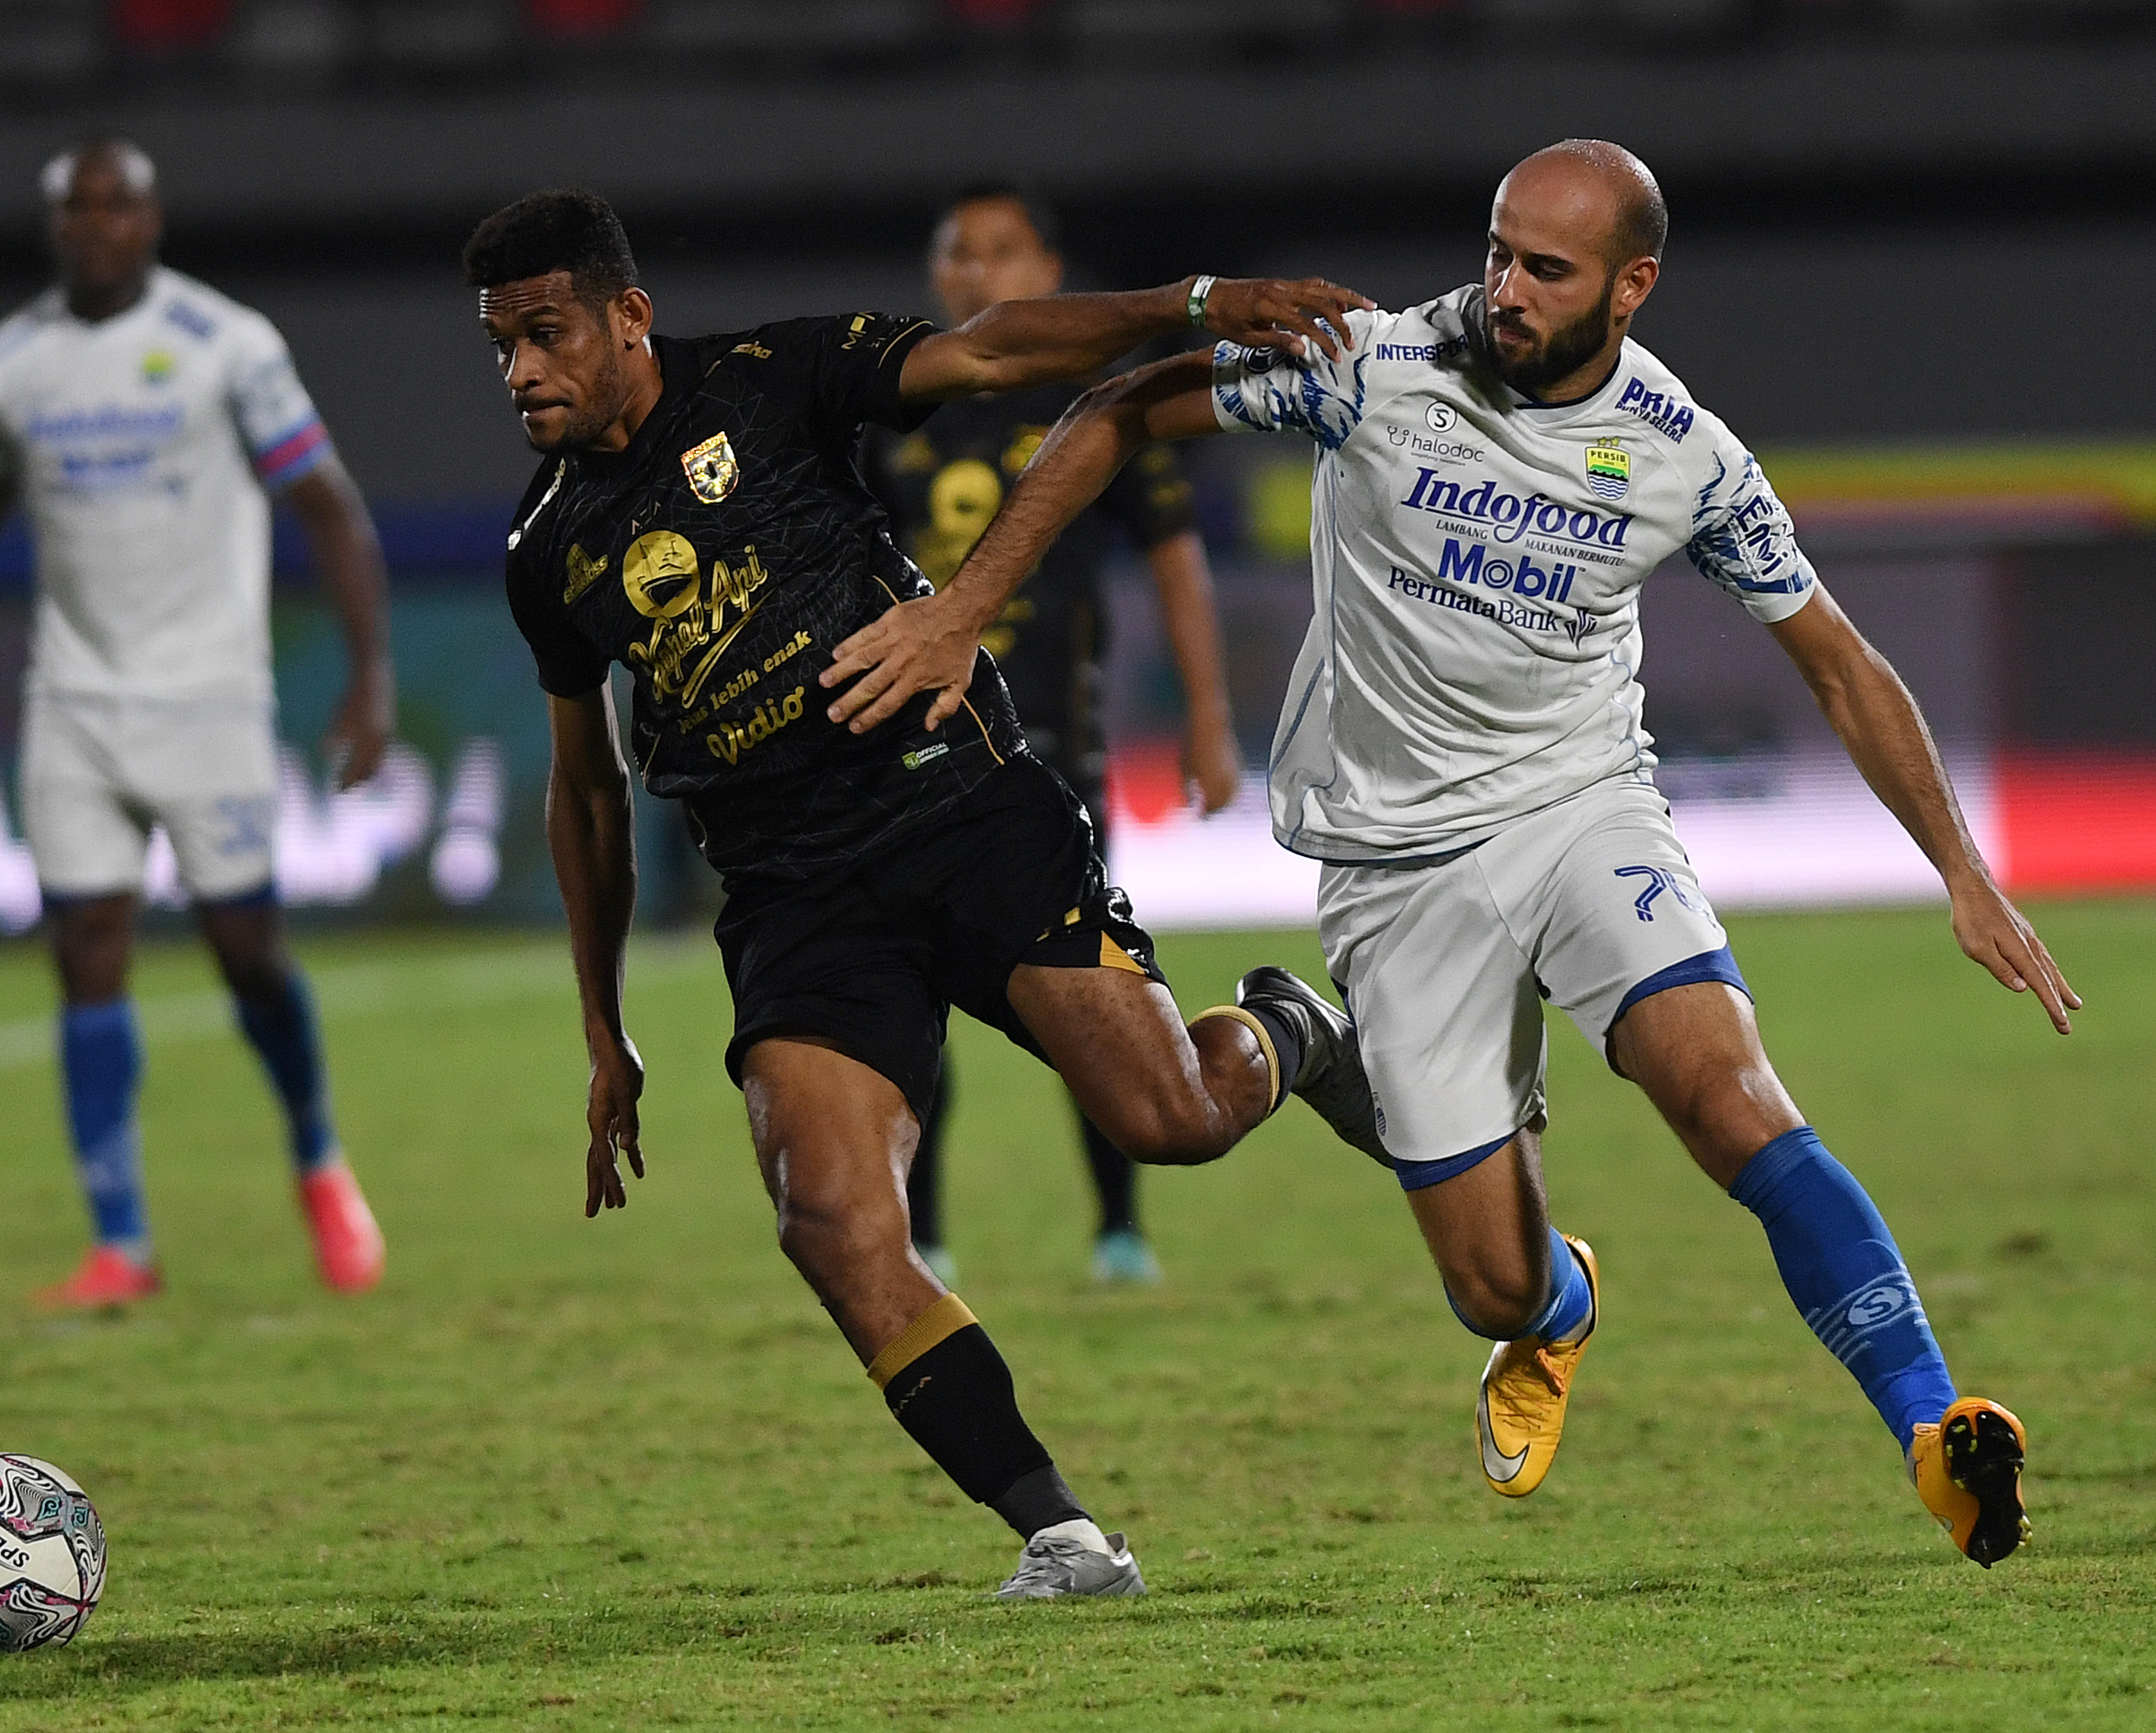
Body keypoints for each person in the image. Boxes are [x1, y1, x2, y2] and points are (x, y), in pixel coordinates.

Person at [830, 140, 2075, 1569]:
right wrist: (965, 601)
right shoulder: (1369, 365)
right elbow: (1118, 407)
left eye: (1543, 270)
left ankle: (1928, 1429)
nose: (1501, 289)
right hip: (1392, 858)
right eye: (1496, 251)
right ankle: (1546, 1299)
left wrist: (1961, 872)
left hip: (1579, 810)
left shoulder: (1683, 456)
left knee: (1725, 1091)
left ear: (1630, 287)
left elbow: (1840, 663)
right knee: (1488, 1282)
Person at [470, 187, 1377, 1597]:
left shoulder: (769, 381)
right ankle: (1062, 1534)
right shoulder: (546, 550)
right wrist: (603, 1027)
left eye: (543, 333)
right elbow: (583, 792)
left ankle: (1288, 1032)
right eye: (499, 345)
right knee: (829, 1219)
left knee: (1170, 1121)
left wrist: (1190, 303)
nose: (520, 370)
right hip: (790, 895)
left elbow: (996, 355)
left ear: (625, 317)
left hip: (957, 811)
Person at [0, 135, 396, 1309]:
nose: (97, 224)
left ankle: (317, 1156)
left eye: (118, 204)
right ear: (55, 227)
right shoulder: (9, 366)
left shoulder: (229, 347)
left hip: (210, 701)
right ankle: (121, 1242)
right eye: (76, 207)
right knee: (86, 951)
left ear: (152, 221)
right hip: (75, 701)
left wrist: (371, 676)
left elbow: (329, 508)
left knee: (246, 954)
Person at [863, 183, 1241, 1288]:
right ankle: (920, 1238)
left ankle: (1119, 1231)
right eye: (958, 254)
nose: (980, 273)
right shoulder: (897, 413)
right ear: (939, 278)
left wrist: (1208, 719)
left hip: (1045, 760)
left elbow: (1176, 554)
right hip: (912, 751)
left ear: (1049, 270)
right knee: (909, 996)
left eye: (1002, 252)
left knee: (1091, 996)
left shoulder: (1098, 401)